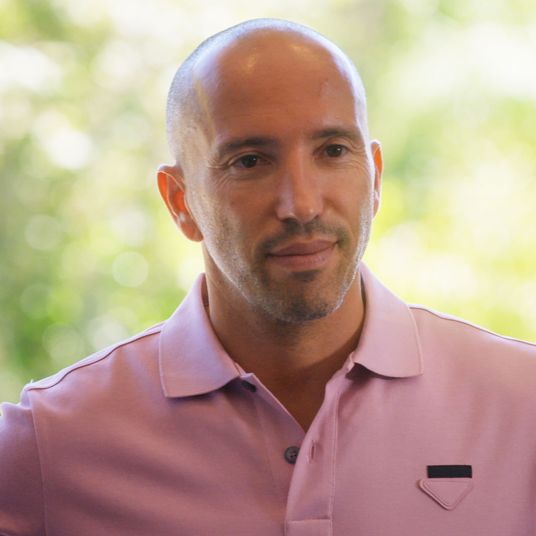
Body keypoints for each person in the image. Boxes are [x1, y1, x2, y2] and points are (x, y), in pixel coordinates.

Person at [1, 18, 535, 536]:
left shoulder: (522, 403)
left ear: (373, 178)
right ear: (180, 202)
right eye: (250, 161)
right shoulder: (51, 439)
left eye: (332, 151)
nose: (301, 204)